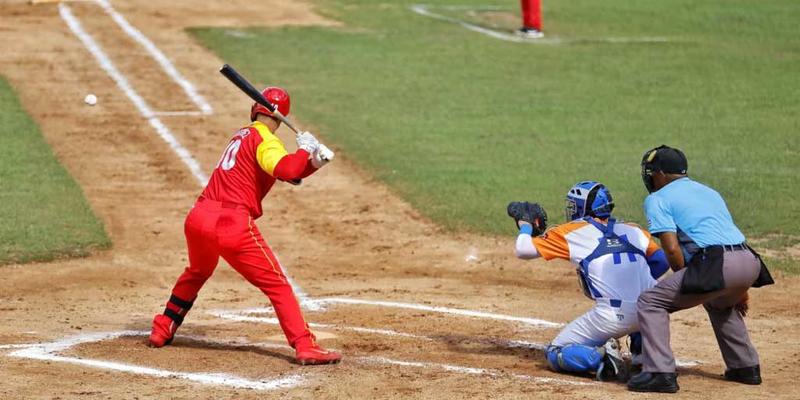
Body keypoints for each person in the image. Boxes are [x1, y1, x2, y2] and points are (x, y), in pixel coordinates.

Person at [148, 87, 342, 365]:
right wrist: (303, 150)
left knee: (198, 270)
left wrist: (313, 161)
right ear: (281, 116)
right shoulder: (266, 141)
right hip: (231, 224)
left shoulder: (242, 135)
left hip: (199, 218)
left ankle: (163, 326)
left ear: (256, 109)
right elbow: (287, 169)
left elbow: (291, 174)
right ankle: (304, 345)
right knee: (278, 285)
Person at [628, 145, 773, 393]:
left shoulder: (658, 198)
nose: (650, 177)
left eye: (652, 172)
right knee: (720, 303)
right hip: (749, 261)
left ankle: (659, 373)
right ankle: (745, 368)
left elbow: (672, 250)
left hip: (718, 264)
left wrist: (687, 278)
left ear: (661, 174)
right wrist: (737, 289)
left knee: (651, 301)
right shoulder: (709, 192)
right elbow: (725, 234)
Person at [508, 181, 669, 381]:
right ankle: (642, 354)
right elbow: (661, 261)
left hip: (611, 317)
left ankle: (602, 358)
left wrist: (525, 226)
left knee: (556, 351)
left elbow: (523, 250)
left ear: (584, 208)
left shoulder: (572, 231)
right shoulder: (634, 230)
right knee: (639, 294)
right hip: (652, 311)